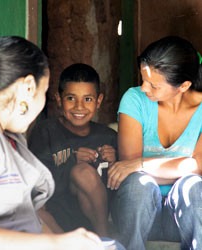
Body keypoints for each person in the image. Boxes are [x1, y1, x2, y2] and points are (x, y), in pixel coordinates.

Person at [0, 36, 105, 250]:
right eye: (43, 93)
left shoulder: (5, 132)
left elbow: (31, 215)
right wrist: (58, 243)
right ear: (28, 87)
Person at [108, 36, 202, 250]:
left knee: (194, 187)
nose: (144, 88)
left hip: (183, 215)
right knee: (138, 187)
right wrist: (181, 166)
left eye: (153, 85)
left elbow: (198, 166)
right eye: (142, 79)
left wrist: (142, 163)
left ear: (184, 86)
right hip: (137, 211)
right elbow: (127, 169)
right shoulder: (134, 100)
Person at [28, 63, 118, 237]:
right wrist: (71, 159)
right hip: (55, 218)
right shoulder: (45, 131)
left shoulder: (107, 136)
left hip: (93, 220)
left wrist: (114, 162)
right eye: (71, 98)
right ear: (59, 99)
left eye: (88, 99)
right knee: (33, 209)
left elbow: (120, 187)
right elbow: (37, 183)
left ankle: (104, 239)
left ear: (98, 101)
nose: (79, 107)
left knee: (83, 172)